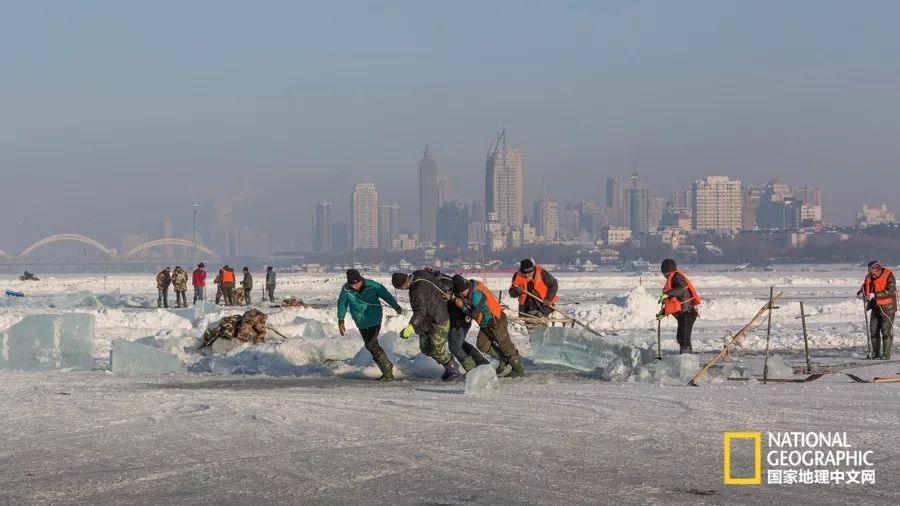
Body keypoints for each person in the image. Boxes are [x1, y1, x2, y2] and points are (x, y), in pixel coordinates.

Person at [391, 270, 461, 381]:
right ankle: (449, 365)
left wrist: (410, 327)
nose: (403, 290)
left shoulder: (417, 290)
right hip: (427, 320)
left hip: (438, 319)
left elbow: (420, 311)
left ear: (405, 284)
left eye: (401, 288)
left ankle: (454, 370)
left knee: (437, 350)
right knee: (425, 348)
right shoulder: (419, 274)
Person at [451, 274, 524, 377]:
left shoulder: (477, 294)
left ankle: (518, 370)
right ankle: (503, 360)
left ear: (464, 289)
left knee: (505, 345)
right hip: (485, 323)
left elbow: (473, 314)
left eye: (459, 293)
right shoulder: (470, 289)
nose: (460, 295)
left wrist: (462, 306)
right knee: (482, 344)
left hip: (496, 321)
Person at [337, 269, 403, 381]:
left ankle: (387, 370)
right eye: (352, 284)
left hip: (374, 319)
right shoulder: (346, 289)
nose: (355, 286)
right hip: (360, 321)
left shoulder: (372, 286)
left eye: (357, 283)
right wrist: (341, 319)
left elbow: (386, 295)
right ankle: (386, 371)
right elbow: (342, 303)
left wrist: (396, 306)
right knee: (371, 346)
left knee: (371, 344)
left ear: (361, 279)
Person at [431, 268, 490, 373]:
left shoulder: (450, 287)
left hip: (459, 322)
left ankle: (472, 370)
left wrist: (451, 299)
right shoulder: (448, 283)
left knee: (455, 347)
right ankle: (483, 363)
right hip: (457, 320)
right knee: (461, 344)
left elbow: (461, 304)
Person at [657, 258, 702, 354]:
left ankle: (686, 359)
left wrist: (668, 294)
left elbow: (681, 288)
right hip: (683, 313)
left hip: (687, 312)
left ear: (667, 271)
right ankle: (685, 356)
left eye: (665, 273)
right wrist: (663, 312)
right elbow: (674, 302)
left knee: (684, 338)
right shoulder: (672, 278)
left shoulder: (676, 277)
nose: (664, 276)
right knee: (681, 337)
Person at [857, 261, 896, 360]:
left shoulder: (888, 275)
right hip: (875, 307)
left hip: (887, 308)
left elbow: (890, 290)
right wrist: (861, 293)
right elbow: (865, 287)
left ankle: (886, 353)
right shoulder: (869, 277)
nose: (872, 274)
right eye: (870, 272)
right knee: (873, 330)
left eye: (873, 272)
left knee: (885, 330)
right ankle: (875, 352)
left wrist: (875, 294)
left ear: (878, 270)